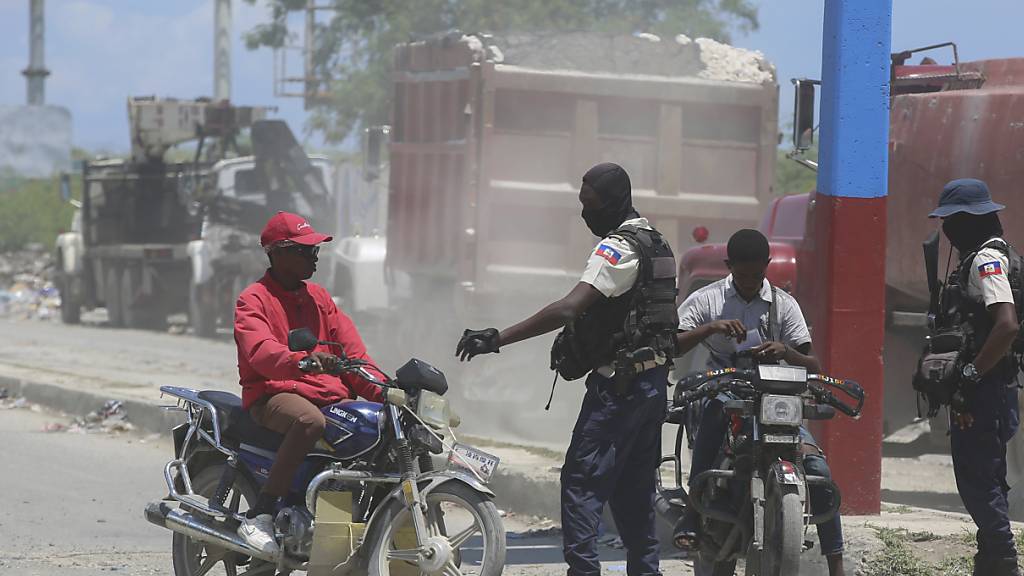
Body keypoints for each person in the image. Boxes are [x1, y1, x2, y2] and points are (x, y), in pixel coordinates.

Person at [456, 162, 679, 576]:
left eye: (589, 203)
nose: (583, 212)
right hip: (650, 387)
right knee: (635, 492)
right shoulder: (657, 244)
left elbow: (569, 307)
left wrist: (498, 338)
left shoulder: (619, 247)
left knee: (581, 484)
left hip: (619, 390)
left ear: (612, 202)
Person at [673, 229, 845, 576]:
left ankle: (836, 563)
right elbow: (673, 344)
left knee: (819, 471)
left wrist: (786, 351)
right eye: (743, 274)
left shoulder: (785, 304)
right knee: (713, 421)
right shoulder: (708, 300)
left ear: (767, 266)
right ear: (729, 266)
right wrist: (711, 329)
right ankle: (691, 514)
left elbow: (813, 366)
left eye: (757, 274)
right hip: (725, 391)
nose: (751, 282)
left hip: (774, 397)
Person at [233, 211, 385, 555]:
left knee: (378, 422)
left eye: (314, 250)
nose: (314, 257)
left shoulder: (320, 298)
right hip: (274, 393)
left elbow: (356, 357)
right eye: (304, 250)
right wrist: (300, 361)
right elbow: (260, 352)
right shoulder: (253, 299)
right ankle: (262, 513)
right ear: (278, 252)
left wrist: (388, 392)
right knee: (309, 421)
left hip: (327, 395)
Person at [928, 179, 1020, 576]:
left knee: (977, 481)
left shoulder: (986, 261)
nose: (946, 231)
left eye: (951, 222)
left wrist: (968, 375)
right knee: (988, 478)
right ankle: (989, 562)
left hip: (985, 390)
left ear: (968, 222)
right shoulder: (988, 257)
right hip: (991, 387)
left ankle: (1003, 560)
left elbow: (1005, 326)